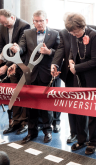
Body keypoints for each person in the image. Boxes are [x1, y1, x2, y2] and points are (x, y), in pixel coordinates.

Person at [9, 10, 59, 144]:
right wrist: (16, 49)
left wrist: (49, 52)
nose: (38, 23)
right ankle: (32, 132)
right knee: (30, 105)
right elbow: (22, 48)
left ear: (46, 21)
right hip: (30, 73)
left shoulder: (54, 34)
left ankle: (47, 131)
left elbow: (59, 52)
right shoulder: (27, 33)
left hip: (46, 73)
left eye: (41, 20)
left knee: (45, 105)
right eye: (36, 21)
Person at [0, 9, 30, 135]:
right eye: (3, 24)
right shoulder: (3, 25)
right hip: (11, 63)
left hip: (22, 64)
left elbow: (22, 49)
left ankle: (24, 123)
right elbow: (0, 45)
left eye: (7, 24)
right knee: (14, 94)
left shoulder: (24, 26)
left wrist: (7, 65)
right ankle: (15, 122)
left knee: (23, 95)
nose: (5, 26)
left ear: (13, 17)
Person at [65, 13, 96, 155]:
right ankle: (82, 139)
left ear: (82, 26)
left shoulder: (93, 35)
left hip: (93, 77)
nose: (74, 34)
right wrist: (70, 60)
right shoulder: (73, 35)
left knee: (93, 111)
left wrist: (76, 68)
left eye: (76, 31)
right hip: (79, 78)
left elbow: (95, 60)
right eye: (71, 32)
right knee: (80, 108)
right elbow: (71, 51)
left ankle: (93, 141)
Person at [51, 28, 77, 143]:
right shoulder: (63, 33)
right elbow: (60, 50)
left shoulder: (92, 31)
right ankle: (74, 133)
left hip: (86, 73)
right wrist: (55, 64)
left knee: (86, 105)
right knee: (72, 105)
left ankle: (87, 136)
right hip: (70, 74)